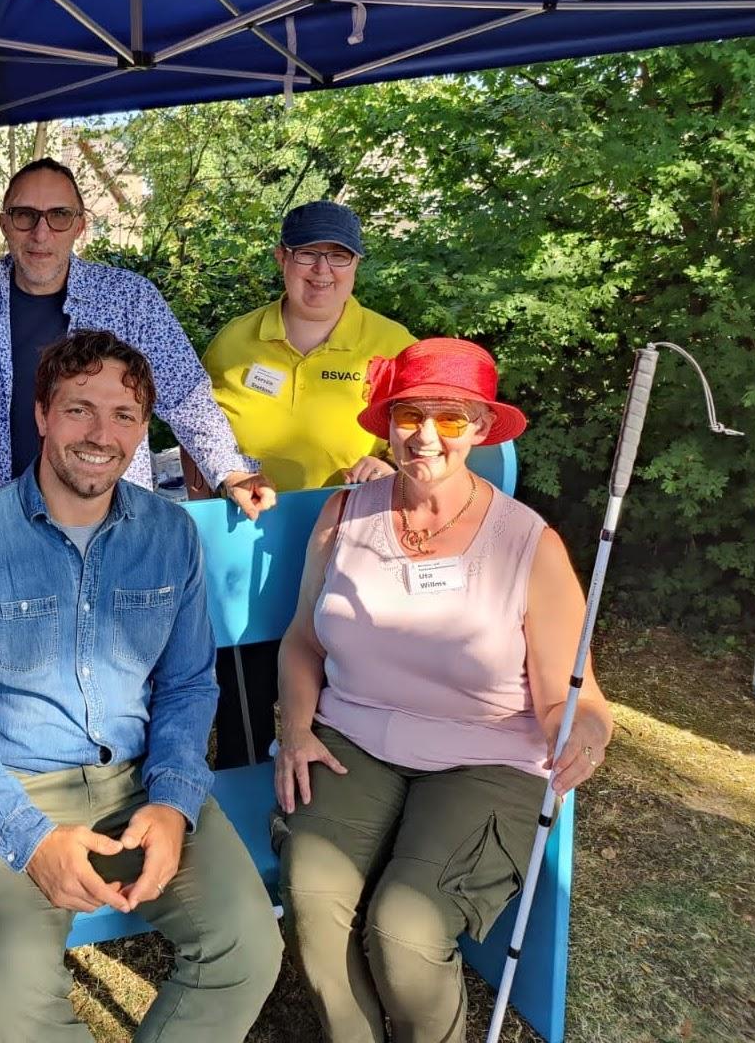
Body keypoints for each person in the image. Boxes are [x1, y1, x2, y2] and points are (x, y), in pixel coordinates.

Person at [0, 330, 281, 1043]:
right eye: (79, 410)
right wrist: (30, 840)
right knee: (21, 1014)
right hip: (7, 793)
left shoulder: (169, 534)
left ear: (143, 430)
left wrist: (172, 805)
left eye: (123, 416)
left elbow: (186, 686)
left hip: (138, 784)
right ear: (43, 414)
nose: (100, 435)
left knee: (246, 949)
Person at [272, 337, 614, 1043]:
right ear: (384, 422)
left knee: (404, 930)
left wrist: (583, 728)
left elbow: (574, 697)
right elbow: (303, 640)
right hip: (352, 739)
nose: (425, 435)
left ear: (481, 429)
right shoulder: (343, 515)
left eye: (451, 418)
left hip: (483, 755)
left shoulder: (529, 543)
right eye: (409, 414)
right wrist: (295, 730)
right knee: (311, 896)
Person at [0, 156, 275, 525]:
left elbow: (186, 395)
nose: (41, 234)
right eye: (25, 215)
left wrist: (231, 471)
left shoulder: (131, 300)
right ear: (4, 223)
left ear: (79, 226)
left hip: (110, 527)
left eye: (59, 216)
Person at [188, 200, 416, 768]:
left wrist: (388, 464)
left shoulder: (392, 345)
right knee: (243, 690)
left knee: (334, 692)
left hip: (350, 550)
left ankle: (328, 794)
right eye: (308, 254)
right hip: (246, 549)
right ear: (282, 259)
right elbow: (198, 437)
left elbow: (424, 439)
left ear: (357, 266)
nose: (322, 271)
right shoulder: (234, 343)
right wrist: (205, 523)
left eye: (338, 257)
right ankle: (243, 784)